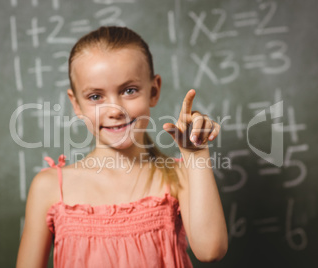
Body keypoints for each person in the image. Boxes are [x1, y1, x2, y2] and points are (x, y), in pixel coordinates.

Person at [16, 26, 228, 268]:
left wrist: (196, 155)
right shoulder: (50, 188)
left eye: (129, 91)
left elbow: (211, 250)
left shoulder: (179, 177)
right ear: (75, 104)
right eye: (95, 96)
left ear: (154, 91)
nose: (115, 110)